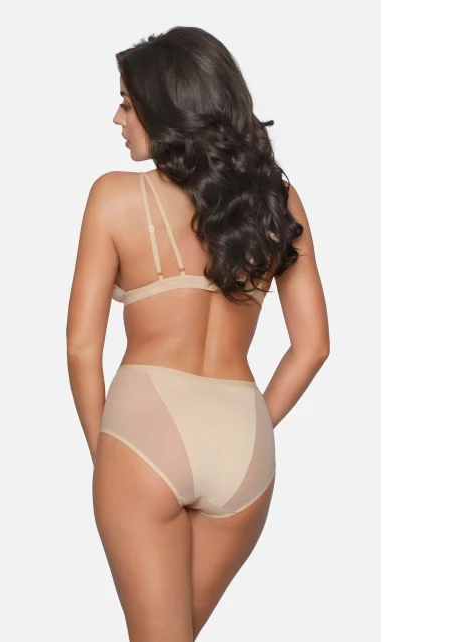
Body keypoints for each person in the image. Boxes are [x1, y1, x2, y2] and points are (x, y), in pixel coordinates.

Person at [66, 26, 329, 641]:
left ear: (167, 107)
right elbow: (313, 346)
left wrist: (108, 457)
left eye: (126, 103)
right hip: (243, 443)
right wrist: (253, 423)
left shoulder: (113, 196)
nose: (117, 118)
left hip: (145, 433)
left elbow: (81, 347)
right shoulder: (277, 202)